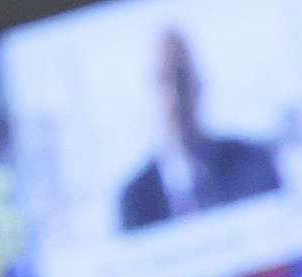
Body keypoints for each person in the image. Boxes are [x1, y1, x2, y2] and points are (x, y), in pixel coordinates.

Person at [116, 26, 285, 229]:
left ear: (199, 85)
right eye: (163, 80)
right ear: (148, 94)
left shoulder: (253, 162)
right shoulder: (134, 198)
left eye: (181, 78)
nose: (174, 97)